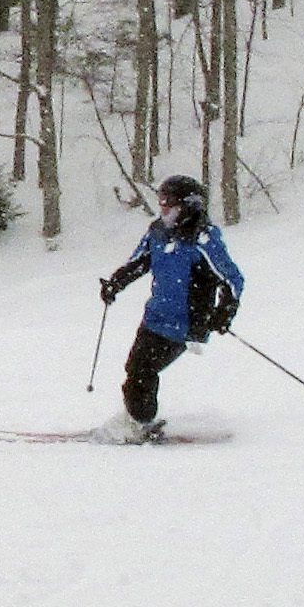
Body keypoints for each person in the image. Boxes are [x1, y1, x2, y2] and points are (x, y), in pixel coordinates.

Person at [95, 175, 245, 444]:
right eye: (160, 203)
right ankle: (139, 417)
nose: (162, 209)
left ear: (188, 206)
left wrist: (224, 312)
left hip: (185, 323)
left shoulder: (202, 239)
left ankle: (139, 422)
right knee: (136, 368)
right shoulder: (159, 233)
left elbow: (232, 279)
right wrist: (115, 284)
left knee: (141, 369)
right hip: (155, 316)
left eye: (168, 204)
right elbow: (140, 262)